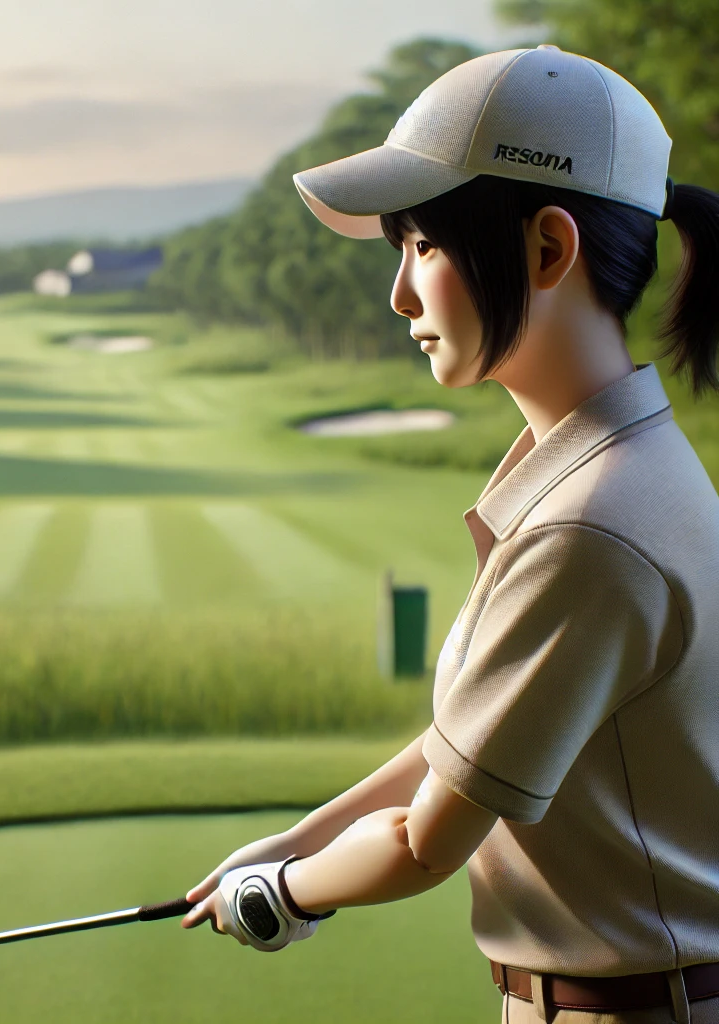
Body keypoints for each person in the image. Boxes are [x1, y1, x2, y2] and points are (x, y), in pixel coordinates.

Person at [180, 44, 719, 1024]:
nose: (398, 295)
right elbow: (462, 742)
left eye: (422, 245)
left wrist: (284, 894)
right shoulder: (608, 471)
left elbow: (423, 844)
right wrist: (295, 843)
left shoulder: (588, 526)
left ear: (546, 250)